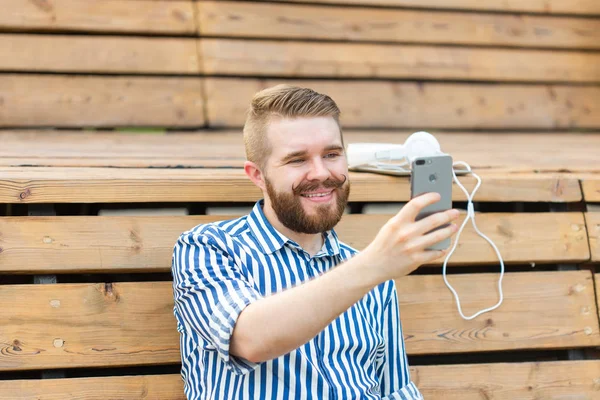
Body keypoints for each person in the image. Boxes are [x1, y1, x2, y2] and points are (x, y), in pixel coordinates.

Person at [171, 85, 460, 399]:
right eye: (297, 160)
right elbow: (251, 339)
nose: (321, 173)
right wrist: (374, 265)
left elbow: (394, 390)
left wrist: (375, 267)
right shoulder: (206, 248)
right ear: (257, 175)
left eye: (332, 155)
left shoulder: (373, 273)